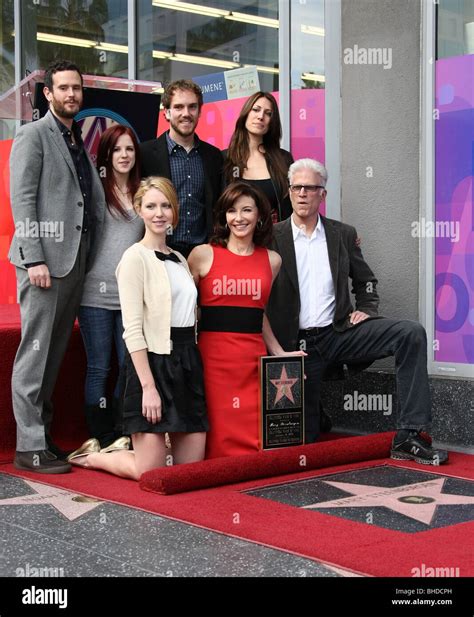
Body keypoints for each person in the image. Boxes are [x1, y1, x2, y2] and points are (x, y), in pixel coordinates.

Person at [266, 158, 449, 466]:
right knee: (302, 444)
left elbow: (366, 281)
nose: (302, 194)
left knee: (410, 333)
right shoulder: (271, 237)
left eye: (310, 188)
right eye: (296, 187)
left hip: (338, 334)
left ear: (322, 194)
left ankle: (409, 435)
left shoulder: (342, 234)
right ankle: (317, 413)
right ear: (288, 191)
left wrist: (366, 308)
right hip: (296, 348)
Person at [67, 177, 208, 479]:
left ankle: (151, 446)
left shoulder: (181, 259)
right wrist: (149, 388)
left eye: (166, 205)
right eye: (151, 206)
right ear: (139, 210)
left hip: (186, 361)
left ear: (175, 211)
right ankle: (96, 457)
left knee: (191, 471)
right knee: (150, 471)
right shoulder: (133, 258)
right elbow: (132, 330)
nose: (159, 213)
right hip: (152, 363)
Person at [9, 60, 105, 474]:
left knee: (52, 356)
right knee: (34, 355)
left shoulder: (75, 140)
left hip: (73, 266)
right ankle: (28, 447)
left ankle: (42, 438)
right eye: (63, 88)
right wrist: (34, 259)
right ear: (47, 93)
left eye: (77, 88)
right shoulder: (33, 135)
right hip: (43, 265)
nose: (71, 95)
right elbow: (23, 200)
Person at [188, 182, 303, 459]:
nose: (238, 218)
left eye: (246, 210)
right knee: (217, 434)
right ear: (223, 217)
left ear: (260, 216)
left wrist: (280, 354)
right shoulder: (202, 255)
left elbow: (256, 312)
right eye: (231, 211)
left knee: (254, 440)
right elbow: (187, 310)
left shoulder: (272, 260)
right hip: (212, 358)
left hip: (252, 360)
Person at [77, 125, 144, 450]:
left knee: (130, 363)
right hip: (95, 293)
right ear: (106, 154)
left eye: (129, 149)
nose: (124, 155)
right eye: (117, 149)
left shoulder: (144, 192)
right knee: (100, 366)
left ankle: (123, 427)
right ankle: (102, 435)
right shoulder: (94, 191)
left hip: (131, 296)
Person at [140, 80, 223, 258]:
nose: (186, 114)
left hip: (203, 256)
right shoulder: (145, 154)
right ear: (167, 113)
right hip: (158, 253)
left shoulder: (214, 156)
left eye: (192, 107)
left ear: (200, 111)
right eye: (179, 107)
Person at [223, 91, 294, 223]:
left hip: (276, 238)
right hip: (237, 239)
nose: (261, 117)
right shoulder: (224, 158)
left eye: (268, 113)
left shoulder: (283, 159)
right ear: (246, 114)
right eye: (256, 110)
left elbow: (290, 206)